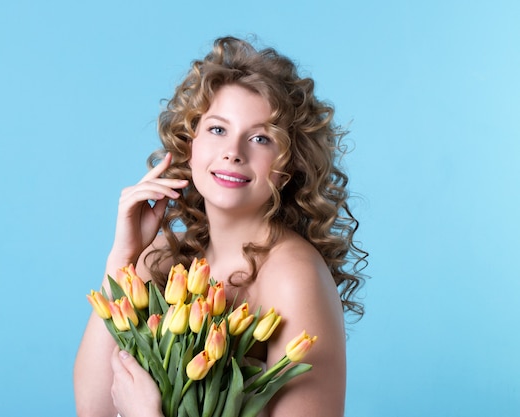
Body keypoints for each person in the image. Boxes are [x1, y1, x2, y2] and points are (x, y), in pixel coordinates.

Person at [74, 36, 367, 417]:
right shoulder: (163, 261)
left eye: (260, 138)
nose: (233, 151)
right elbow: (92, 410)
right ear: (189, 144)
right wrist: (123, 259)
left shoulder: (293, 275)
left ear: (287, 169)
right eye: (217, 129)